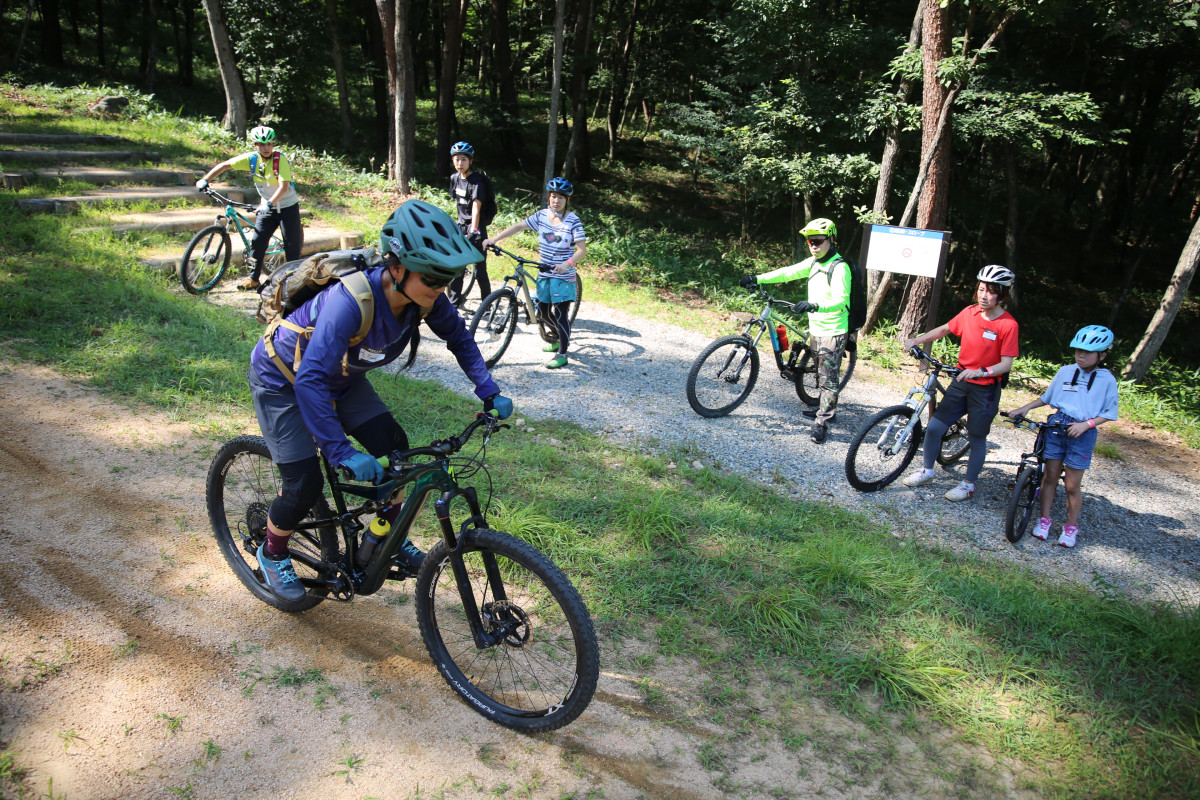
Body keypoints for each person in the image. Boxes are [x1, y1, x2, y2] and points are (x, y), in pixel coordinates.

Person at [248, 199, 514, 603]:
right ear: (396, 267)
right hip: (284, 379)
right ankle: (272, 551)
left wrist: (488, 391)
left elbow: (459, 338)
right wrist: (340, 450)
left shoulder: (427, 298)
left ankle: (383, 537)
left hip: (340, 379)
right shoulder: (350, 302)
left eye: (447, 279)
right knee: (304, 484)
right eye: (432, 278)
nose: (440, 289)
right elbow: (309, 381)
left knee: (398, 455)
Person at [900, 265, 1020, 501]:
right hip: (961, 380)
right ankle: (927, 471)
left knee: (976, 437)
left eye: (991, 291)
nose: (984, 295)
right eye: (982, 289)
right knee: (934, 427)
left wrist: (981, 372)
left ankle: (968, 484)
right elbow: (946, 328)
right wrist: (917, 340)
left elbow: (1006, 364)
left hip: (985, 389)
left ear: (1002, 295)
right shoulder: (970, 312)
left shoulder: (1008, 325)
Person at [740, 218, 851, 444]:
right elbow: (787, 273)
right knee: (819, 372)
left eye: (818, 241)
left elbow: (842, 301)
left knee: (828, 379)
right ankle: (823, 404)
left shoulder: (840, 267)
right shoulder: (814, 263)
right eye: (810, 241)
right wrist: (757, 278)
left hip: (833, 329)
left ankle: (823, 422)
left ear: (831, 240)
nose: (814, 245)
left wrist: (815, 305)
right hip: (816, 327)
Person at [1006, 325, 1118, 548]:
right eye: (1078, 351)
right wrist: (1025, 408)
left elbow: (1109, 413)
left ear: (1102, 355)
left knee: (1072, 484)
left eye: (1087, 352)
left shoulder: (1107, 380)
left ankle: (1070, 526)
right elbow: (1048, 398)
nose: (1081, 355)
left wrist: (1087, 425)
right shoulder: (1066, 371)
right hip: (1057, 426)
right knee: (1050, 476)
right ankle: (1044, 519)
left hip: (1082, 431)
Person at [483, 177, 586, 369]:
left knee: (561, 313)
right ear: (548, 198)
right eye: (553, 197)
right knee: (544, 313)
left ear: (567, 200)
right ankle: (559, 337)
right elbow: (519, 226)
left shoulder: (573, 221)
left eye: (560, 198)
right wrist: (495, 239)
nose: (556, 201)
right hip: (545, 272)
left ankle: (562, 353)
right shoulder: (542, 216)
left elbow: (582, 250)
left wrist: (567, 263)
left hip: (563, 275)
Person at [196, 125, 303, 291]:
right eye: (261, 144)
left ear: (273, 144)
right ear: (255, 145)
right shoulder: (252, 159)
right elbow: (225, 165)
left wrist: (269, 203)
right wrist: (205, 179)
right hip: (267, 208)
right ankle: (254, 279)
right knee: (257, 242)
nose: (266, 148)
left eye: (269, 144)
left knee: (292, 246)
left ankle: (292, 283)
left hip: (287, 206)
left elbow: (283, 187)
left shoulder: (279, 159)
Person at [446, 141, 495, 307]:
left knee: (480, 271)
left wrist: (474, 229)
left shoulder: (477, 182)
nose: (459, 163)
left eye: (463, 160)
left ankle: (486, 306)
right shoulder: (454, 179)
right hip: (460, 228)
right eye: (457, 159)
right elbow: (459, 206)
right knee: (458, 268)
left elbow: (476, 207)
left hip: (476, 229)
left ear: (471, 161)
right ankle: (453, 305)